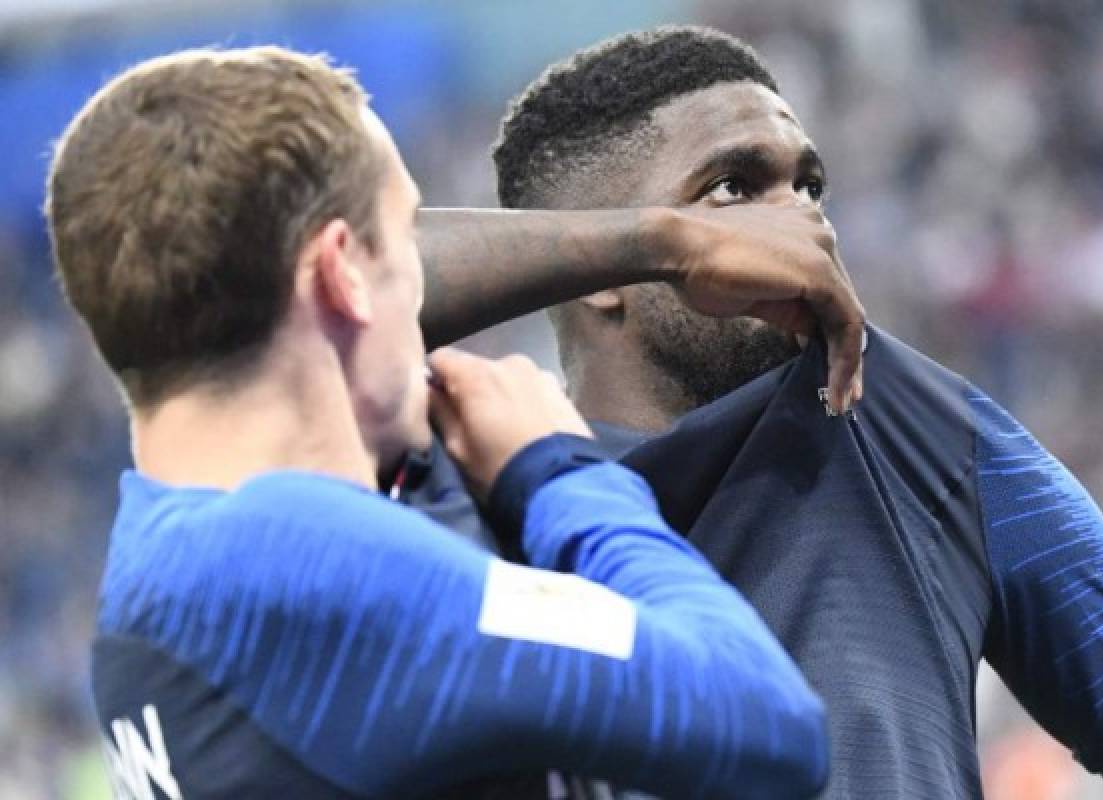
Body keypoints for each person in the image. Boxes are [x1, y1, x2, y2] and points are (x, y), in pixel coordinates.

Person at [400, 26, 1103, 800]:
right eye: (732, 189)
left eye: (808, 187)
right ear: (602, 268)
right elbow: (314, 284)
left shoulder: (932, 430)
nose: (802, 223)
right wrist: (669, 242)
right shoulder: (479, 472)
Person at [46, 46, 844, 799]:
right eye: (405, 240)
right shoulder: (316, 564)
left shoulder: (157, 557)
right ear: (340, 274)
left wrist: (662, 242)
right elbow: (768, 723)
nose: (426, 296)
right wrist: (560, 470)